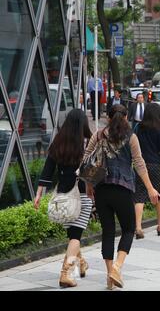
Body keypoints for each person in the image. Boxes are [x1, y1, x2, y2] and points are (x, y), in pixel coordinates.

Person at [84, 104, 160, 289]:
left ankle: (110, 277)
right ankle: (117, 266)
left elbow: (86, 158)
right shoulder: (131, 137)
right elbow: (139, 163)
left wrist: (89, 184)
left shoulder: (99, 134)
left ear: (108, 118)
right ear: (126, 118)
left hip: (101, 190)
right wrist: (150, 188)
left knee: (108, 231)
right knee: (129, 229)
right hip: (123, 189)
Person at [34, 109, 93, 288]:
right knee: (76, 235)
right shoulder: (88, 144)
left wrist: (38, 194)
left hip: (63, 197)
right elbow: (92, 173)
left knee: (73, 235)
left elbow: (48, 170)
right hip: (82, 196)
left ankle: (81, 263)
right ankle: (65, 274)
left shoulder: (58, 143)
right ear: (83, 124)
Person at [133, 103, 160, 239]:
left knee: (139, 196)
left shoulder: (138, 127)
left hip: (140, 165)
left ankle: (138, 228)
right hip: (154, 166)